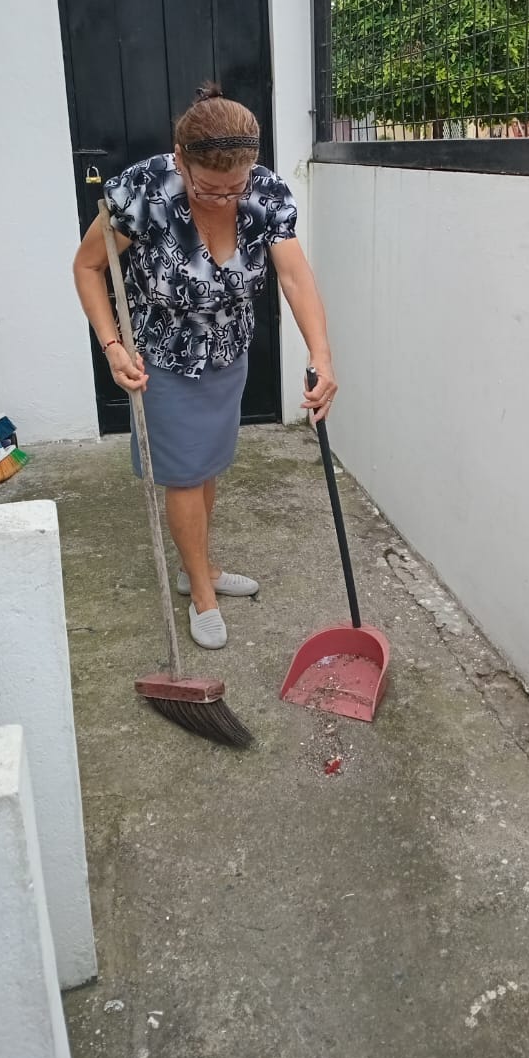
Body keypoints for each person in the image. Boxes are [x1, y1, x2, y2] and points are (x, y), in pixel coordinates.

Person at [73, 84, 337, 649]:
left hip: (228, 354)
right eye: (207, 188)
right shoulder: (145, 189)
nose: (222, 199)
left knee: (208, 465)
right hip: (163, 360)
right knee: (185, 474)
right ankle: (200, 589)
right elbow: (88, 267)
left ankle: (200, 565)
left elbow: (294, 277)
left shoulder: (264, 193)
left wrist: (321, 354)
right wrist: (112, 345)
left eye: (234, 187)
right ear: (180, 158)